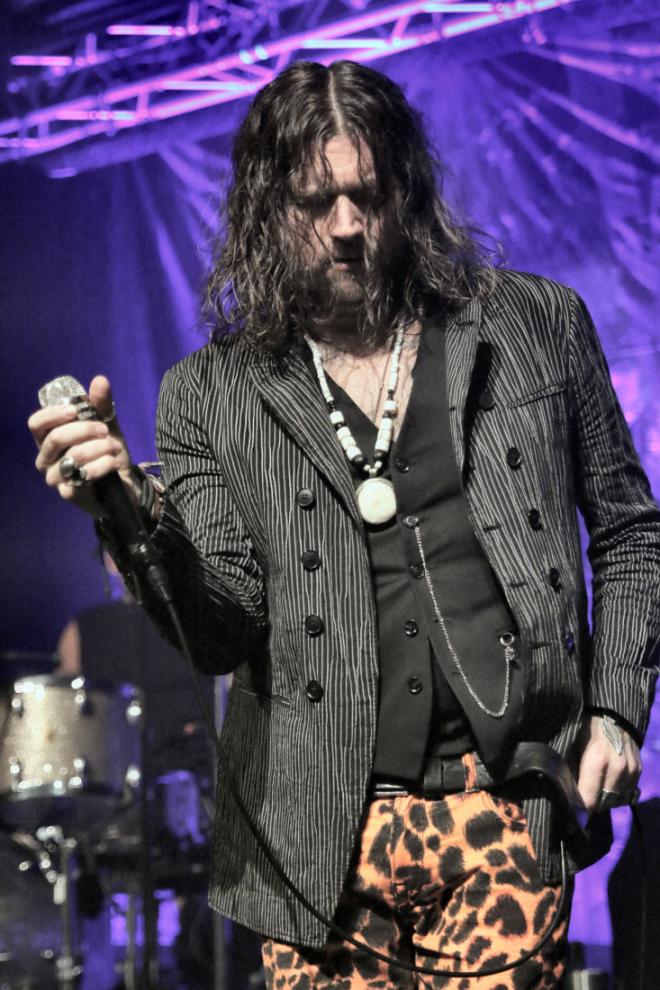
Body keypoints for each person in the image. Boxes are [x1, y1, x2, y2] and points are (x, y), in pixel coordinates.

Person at [29, 60, 659, 988]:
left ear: (408, 188)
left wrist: (617, 710)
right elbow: (221, 630)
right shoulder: (211, 393)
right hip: (315, 845)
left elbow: (632, 532)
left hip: (503, 812)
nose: (348, 225)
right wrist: (130, 512)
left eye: (369, 194)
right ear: (264, 208)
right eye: (315, 201)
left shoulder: (534, 325)